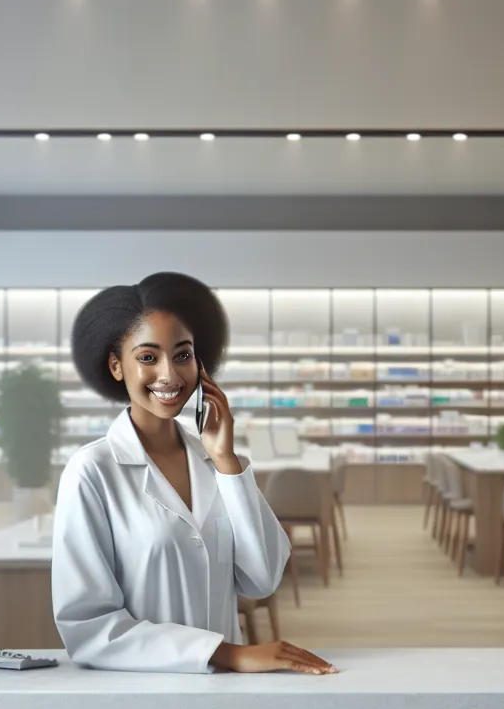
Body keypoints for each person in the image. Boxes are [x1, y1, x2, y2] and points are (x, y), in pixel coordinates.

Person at [50, 272, 338, 675]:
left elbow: (262, 579)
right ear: (117, 366)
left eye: (182, 355)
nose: (169, 375)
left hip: (224, 693)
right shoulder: (92, 472)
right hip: (139, 693)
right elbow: (88, 628)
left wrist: (226, 462)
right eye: (148, 357)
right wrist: (227, 653)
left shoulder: (215, 463)